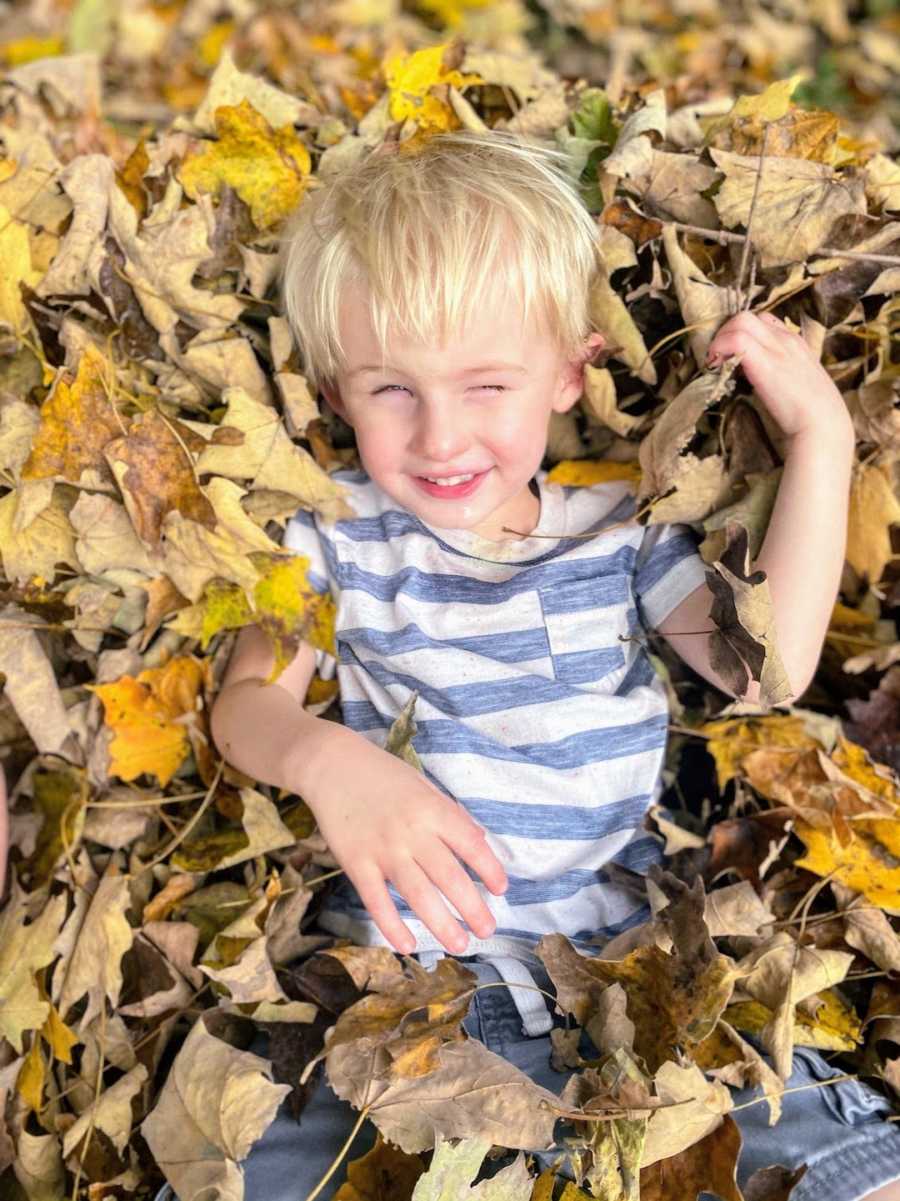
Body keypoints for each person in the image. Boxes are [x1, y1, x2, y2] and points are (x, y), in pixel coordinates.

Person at [154, 130, 900, 1201]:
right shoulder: (334, 535)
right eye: (391, 391)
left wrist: (821, 440)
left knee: (843, 1172)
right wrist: (331, 762)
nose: (441, 434)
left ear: (569, 370)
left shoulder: (621, 536)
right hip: (404, 1006)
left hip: (627, 983)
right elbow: (242, 710)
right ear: (334, 389)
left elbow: (765, 667)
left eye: (486, 383)